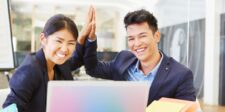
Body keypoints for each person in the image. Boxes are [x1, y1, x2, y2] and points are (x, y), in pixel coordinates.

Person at [84, 9, 196, 105]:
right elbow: (92, 68)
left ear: (156, 36)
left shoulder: (181, 75)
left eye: (142, 36)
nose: (137, 44)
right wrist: (91, 38)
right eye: (131, 38)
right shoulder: (123, 59)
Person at [2, 6, 96, 112]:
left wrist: (84, 35)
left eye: (70, 43)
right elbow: (9, 109)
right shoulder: (29, 70)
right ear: (43, 39)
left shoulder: (59, 64)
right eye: (59, 41)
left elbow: (77, 59)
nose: (64, 49)